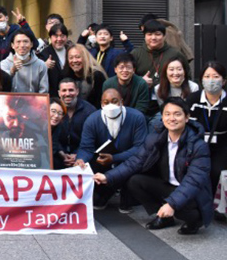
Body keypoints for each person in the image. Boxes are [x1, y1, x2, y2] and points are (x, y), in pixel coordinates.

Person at [94, 98, 213, 235]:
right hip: (168, 185)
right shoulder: (156, 137)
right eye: (167, 114)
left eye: (177, 114)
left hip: (192, 194)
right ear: (162, 118)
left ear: (187, 118)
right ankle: (163, 217)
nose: (172, 118)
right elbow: (136, 161)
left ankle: (194, 222)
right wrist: (108, 177)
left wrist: (172, 204)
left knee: (182, 206)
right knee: (134, 181)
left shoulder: (198, 145)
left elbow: (194, 181)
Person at [75, 88, 147, 211]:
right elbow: (86, 147)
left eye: (114, 101)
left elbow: (140, 148)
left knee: (128, 200)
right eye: (106, 102)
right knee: (97, 203)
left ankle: (128, 198)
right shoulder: (92, 120)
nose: (110, 106)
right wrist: (80, 159)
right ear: (101, 104)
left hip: (129, 162)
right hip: (102, 163)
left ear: (122, 102)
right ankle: (104, 193)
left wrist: (115, 158)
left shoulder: (137, 117)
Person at [186, 61, 227, 194]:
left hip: (222, 147)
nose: (211, 80)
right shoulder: (193, 100)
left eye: (216, 76)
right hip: (197, 145)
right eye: (207, 76)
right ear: (201, 80)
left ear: (224, 81)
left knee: (216, 172)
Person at [131, 20, 188, 89]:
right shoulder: (135, 54)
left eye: (157, 34)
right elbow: (126, 76)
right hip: (143, 95)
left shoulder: (175, 54)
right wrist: (140, 81)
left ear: (164, 36)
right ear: (144, 36)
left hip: (168, 95)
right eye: (149, 34)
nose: (153, 38)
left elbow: (187, 76)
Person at [56, 78, 97, 168]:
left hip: (83, 156)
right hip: (58, 155)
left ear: (77, 91)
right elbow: (49, 136)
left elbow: (92, 139)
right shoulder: (52, 110)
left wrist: (78, 155)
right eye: (64, 90)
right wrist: (61, 153)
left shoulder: (89, 111)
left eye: (71, 90)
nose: (67, 94)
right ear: (59, 93)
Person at [0, 29, 49, 94]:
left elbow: (43, 91)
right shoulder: (4, 64)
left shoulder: (41, 65)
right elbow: (0, 86)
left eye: (25, 41)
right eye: (18, 42)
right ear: (12, 45)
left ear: (31, 44)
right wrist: (12, 71)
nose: (22, 45)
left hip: (33, 103)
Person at [39, 23, 70, 97]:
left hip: (69, 94)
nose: (59, 39)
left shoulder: (71, 50)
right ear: (50, 37)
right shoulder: (44, 54)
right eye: (56, 36)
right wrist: (44, 66)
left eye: (62, 36)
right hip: (53, 96)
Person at [49, 97, 67, 168]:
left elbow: (55, 143)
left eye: (60, 113)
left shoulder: (59, 127)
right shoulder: (35, 127)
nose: (56, 116)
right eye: (53, 111)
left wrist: (62, 154)